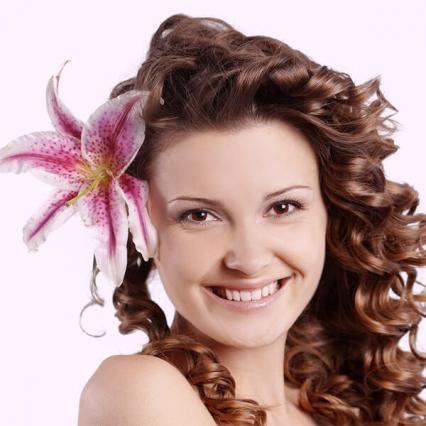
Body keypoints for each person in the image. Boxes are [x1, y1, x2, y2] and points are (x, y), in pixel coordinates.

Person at [1, 13, 425, 426]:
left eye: (282, 208)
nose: (250, 259)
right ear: (139, 230)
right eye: (200, 215)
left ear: (331, 214)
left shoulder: (345, 406)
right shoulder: (136, 391)